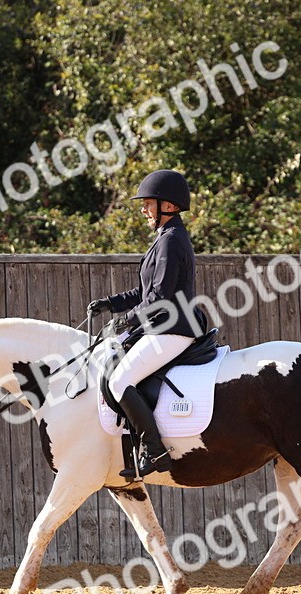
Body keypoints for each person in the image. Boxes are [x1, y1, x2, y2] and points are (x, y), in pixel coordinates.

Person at [87, 169, 206, 478]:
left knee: (119, 381)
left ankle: (154, 450)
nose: (143, 210)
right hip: (164, 325)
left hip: (173, 328)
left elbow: (160, 299)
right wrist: (110, 304)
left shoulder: (171, 241)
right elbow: (145, 292)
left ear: (167, 204)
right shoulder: (166, 238)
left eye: (147, 204)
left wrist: (123, 321)